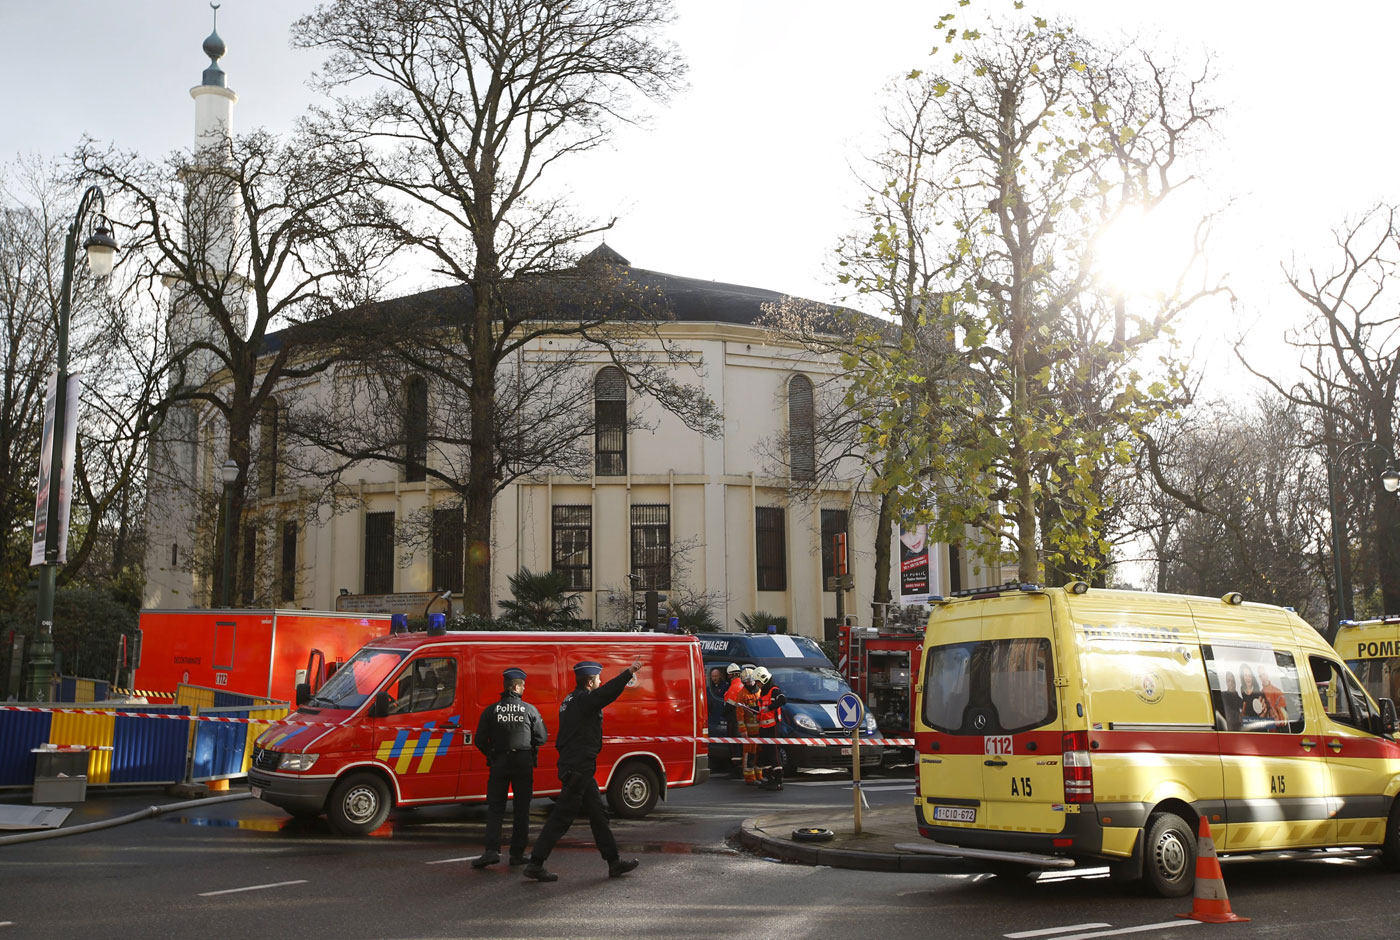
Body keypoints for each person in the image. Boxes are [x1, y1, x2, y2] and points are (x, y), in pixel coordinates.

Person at [522, 659, 644, 883]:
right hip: (579, 767)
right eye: (598, 678)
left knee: (598, 815)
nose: (600, 681)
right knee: (562, 817)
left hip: (578, 766)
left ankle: (613, 861)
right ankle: (536, 862)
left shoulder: (570, 700)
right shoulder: (583, 700)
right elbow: (607, 693)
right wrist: (628, 672)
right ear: (590, 681)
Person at [472, 667, 547, 868]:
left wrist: (491, 754)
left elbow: (479, 740)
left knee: (496, 808)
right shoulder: (529, 709)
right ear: (516, 686)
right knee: (521, 809)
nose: (524, 689)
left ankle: (491, 851)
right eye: (523, 686)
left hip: (499, 762)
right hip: (523, 762)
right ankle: (517, 854)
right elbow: (542, 738)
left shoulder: (491, 710)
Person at [753, 666, 787, 791]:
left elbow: (783, 700)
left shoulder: (774, 690)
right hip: (763, 726)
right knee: (765, 753)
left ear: (763, 679)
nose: (757, 684)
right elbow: (761, 708)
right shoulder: (762, 693)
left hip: (772, 727)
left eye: (758, 682)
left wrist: (771, 707)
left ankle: (778, 780)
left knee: (773, 754)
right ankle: (769, 778)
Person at [736, 666, 762, 785]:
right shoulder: (742, 694)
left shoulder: (759, 692)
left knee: (759, 753)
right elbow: (740, 714)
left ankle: (759, 775)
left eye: (750, 680)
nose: (749, 682)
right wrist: (742, 729)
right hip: (749, 731)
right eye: (746, 681)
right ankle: (749, 778)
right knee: (749, 753)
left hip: (760, 729)